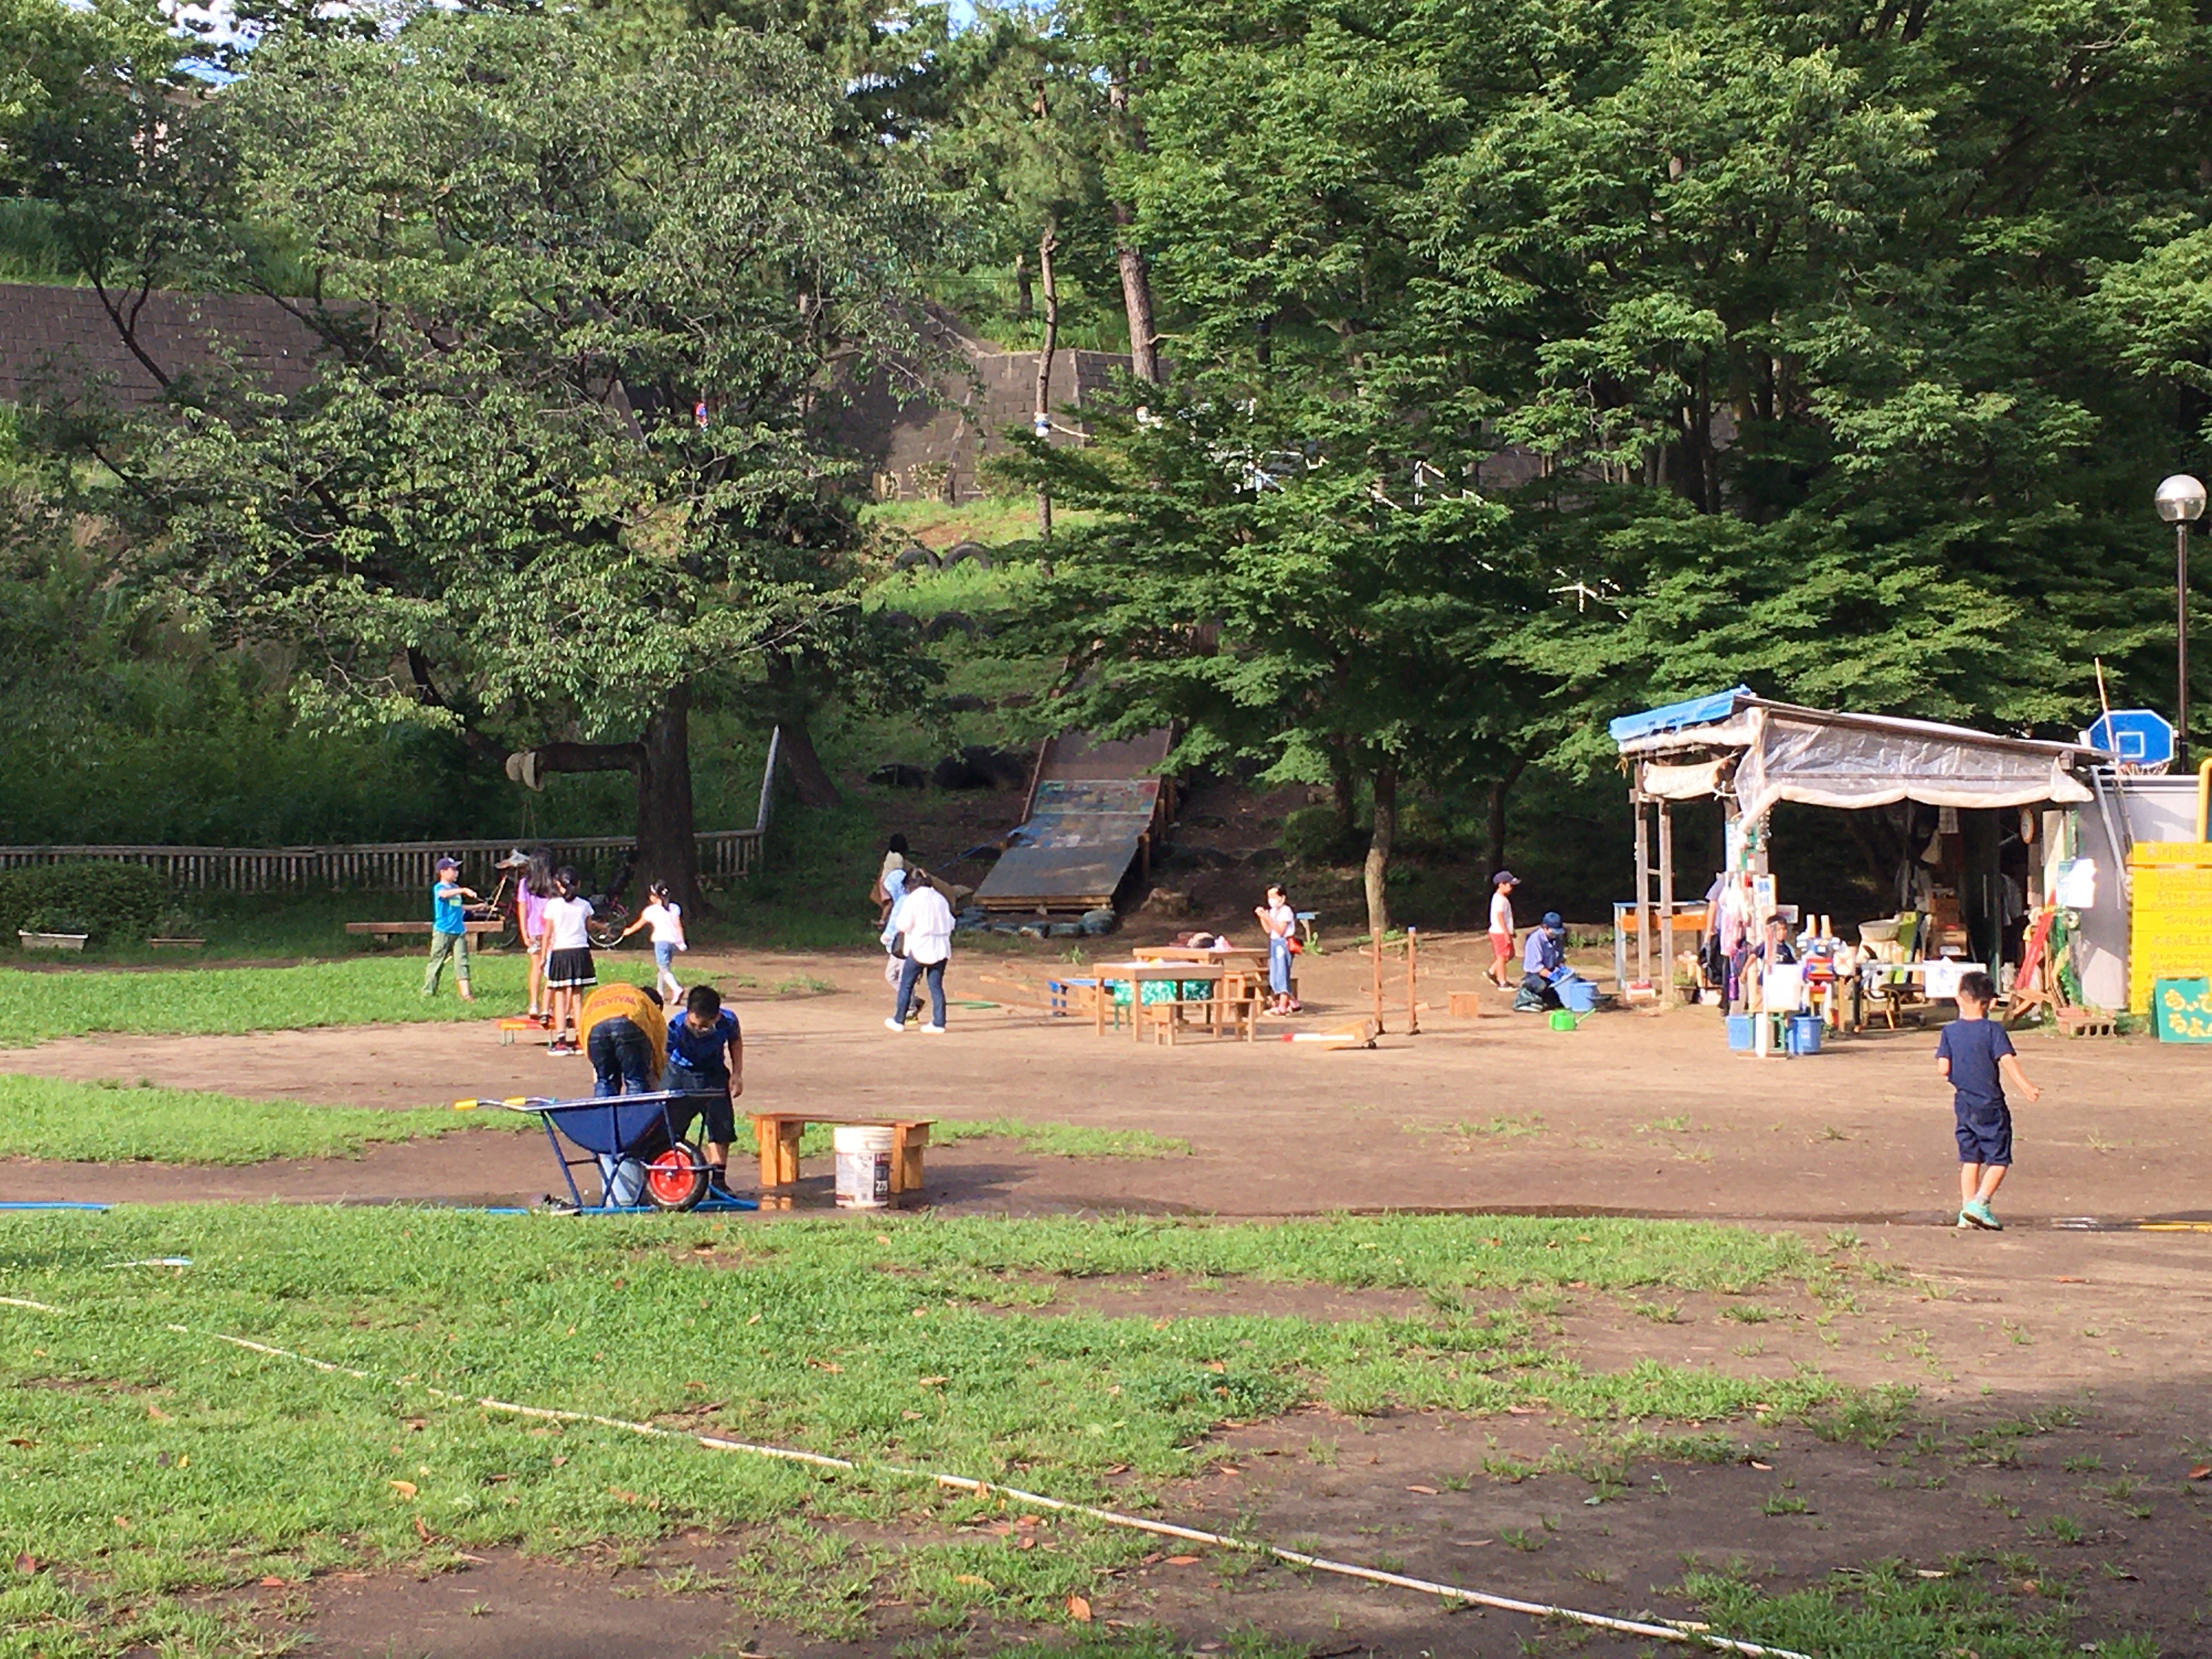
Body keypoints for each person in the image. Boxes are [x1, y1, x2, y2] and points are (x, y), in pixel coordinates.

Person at [1938, 970, 2041, 1231]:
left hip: (1964, 1104)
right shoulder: (1993, 1030)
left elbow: (1943, 1068)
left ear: (1959, 999)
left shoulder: (1949, 1032)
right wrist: (2027, 1087)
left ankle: (1966, 1212)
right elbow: (2007, 1061)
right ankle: (1980, 1204)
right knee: (1999, 1159)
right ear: (1992, 1003)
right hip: (1991, 1104)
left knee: (1970, 1158)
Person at [667, 984, 743, 1195]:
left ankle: (718, 1181)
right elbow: (662, 1056)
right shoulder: (675, 1026)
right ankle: (674, 1178)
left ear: (717, 1017)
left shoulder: (728, 1021)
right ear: (688, 1013)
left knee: (721, 1125)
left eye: (705, 1026)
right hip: (680, 1073)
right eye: (695, 1025)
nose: (700, 1030)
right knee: (671, 1127)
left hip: (713, 1073)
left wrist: (737, 1074)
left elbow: (735, 1041)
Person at [884, 872, 955, 1033]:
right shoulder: (940, 898)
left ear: (910, 885)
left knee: (906, 984)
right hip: (941, 947)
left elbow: (903, 925)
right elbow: (951, 923)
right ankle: (939, 1023)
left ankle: (899, 1020)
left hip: (920, 946)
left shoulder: (913, 899)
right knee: (936, 986)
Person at [540, 866, 597, 1055]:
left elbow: (548, 934)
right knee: (577, 999)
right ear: (578, 884)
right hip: (580, 952)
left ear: (558, 884)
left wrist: (543, 958)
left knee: (559, 997)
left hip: (561, 953)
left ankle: (562, 1041)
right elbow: (588, 928)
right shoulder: (585, 905)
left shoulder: (553, 905)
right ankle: (580, 1041)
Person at [580, 980, 665, 1098]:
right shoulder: (646, 1001)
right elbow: (658, 1043)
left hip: (595, 1026)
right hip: (627, 1023)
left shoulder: (599, 995)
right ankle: (636, 1109)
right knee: (636, 1080)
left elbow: (584, 1029)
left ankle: (604, 1108)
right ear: (657, 1006)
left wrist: (599, 1069)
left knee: (605, 1081)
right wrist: (657, 1074)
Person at [620, 881, 687, 1006]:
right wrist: (681, 941)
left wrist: (628, 931)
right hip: (673, 943)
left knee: (664, 968)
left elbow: (639, 925)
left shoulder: (651, 911)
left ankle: (676, 989)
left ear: (655, 897)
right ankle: (660, 992)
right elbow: (678, 925)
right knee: (663, 968)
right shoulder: (674, 908)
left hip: (661, 942)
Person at [421, 856, 477, 1001]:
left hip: (459, 931)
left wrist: (477, 907)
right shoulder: (439, 888)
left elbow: (458, 907)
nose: (456, 872)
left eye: (457, 869)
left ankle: (466, 995)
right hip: (443, 931)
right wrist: (464, 890)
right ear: (443, 872)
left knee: (462, 962)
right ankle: (428, 992)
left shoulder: (455, 888)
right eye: (453, 869)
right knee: (437, 961)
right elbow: (444, 895)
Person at [519, 849, 555, 1027]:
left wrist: (524, 931)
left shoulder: (525, 883)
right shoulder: (553, 883)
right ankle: (548, 1006)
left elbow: (523, 907)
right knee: (551, 968)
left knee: (536, 968)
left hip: (533, 929)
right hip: (552, 930)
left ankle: (534, 1004)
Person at [1255, 883, 1299, 1015]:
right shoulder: (1273, 911)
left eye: (1274, 897)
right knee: (1274, 975)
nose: (1271, 900)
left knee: (1282, 974)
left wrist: (1268, 918)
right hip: (1274, 944)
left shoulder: (1286, 911)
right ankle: (1294, 1004)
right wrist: (1263, 918)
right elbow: (1269, 930)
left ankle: (1282, 1008)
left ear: (1282, 898)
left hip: (1284, 944)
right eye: (1269, 897)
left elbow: (1280, 931)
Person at [1516, 911, 1568, 1012]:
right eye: (1554, 931)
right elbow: (1537, 968)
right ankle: (1524, 998)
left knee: (1557, 999)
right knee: (1542, 986)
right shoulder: (1535, 940)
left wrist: (1564, 973)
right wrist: (1552, 977)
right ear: (1545, 928)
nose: (1556, 934)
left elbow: (1559, 960)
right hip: (1535, 975)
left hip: (1550, 971)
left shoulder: (1557, 939)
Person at [1487, 870, 1520, 988]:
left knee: (1510, 954)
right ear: (1501, 884)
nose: (1512, 887)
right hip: (1500, 932)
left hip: (1503, 931)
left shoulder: (1502, 898)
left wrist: (1511, 931)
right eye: (1510, 885)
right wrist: (1506, 933)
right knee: (1502, 956)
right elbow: (1500, 916)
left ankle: (1492, 972)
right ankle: (1502, 982)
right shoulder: (1500, 900)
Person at [874, 834, 910, 924]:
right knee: (891, 903)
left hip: (884, 880)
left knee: (889, 903)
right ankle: (883, 921)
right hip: (890, 882)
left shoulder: (890, 854)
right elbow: (899, 873)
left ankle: (886, 920)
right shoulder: (898, 858)